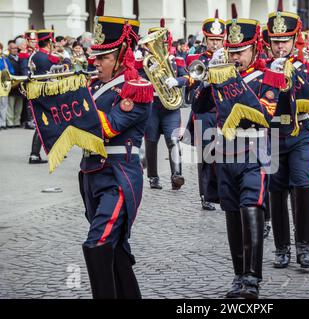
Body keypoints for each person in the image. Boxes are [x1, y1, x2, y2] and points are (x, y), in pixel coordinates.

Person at [192, 3, 282, 299]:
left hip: (255, 150)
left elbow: (264, 114)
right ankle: (239, 275)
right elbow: (199, 108)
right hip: (224, 151)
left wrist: (231, 79)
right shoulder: (220, 76)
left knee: (250, 206)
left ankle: (253, 278)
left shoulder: (269, 76)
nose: (235, 57)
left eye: (240, 51)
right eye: (231, 52)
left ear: (255, 49)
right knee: (231, 212)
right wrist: (208, 80)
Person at [79, 0, 153, 299]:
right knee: (115, 247)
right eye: (95, 56)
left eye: (103, 57)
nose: (95, 62)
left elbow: (107, 127)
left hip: (118, 175)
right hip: (91, 175)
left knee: (97, 241)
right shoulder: (94, 84)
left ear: (122, 54)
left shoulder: (136, 87)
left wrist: (73, 103)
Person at [266, 0, 309, 269]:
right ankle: (281, 248)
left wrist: (294, 77)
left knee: (302, 184)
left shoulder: (306, 66)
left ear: (294, 40)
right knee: (276, 191)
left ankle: (305, 247)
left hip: (299, 131)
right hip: (274, 134)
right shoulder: (262, 69)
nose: (281, 47)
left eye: (285, 41)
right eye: (276, 41)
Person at [184, 9, 226, 211]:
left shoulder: (229, 58)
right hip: (204, 112)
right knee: (205, 155)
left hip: (224, 112)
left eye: (218, 39)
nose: (215, 43)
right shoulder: (197, 59)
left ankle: (224, 192)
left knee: (226, 153)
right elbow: (191, 84)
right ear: (205, 39)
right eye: (211, 39)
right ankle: (205, 195)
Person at [141, 19, 186, 190]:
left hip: (171, 108)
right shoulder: (144, 62)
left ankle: (177, 175)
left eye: (161, 42)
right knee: (151, 141)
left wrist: (177, 81)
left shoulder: (176, 61)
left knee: (173, 139)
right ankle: (153, 177)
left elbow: (188, 78)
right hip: (152, 106)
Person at [28, 28, 64, 164]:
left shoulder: (34, 55)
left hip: (35, 91)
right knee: (49, 122)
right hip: (47, 92)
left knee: (44, 122)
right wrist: (65, 59)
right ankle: (37, 154)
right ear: (49, 43)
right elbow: (63, 68)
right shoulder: (48, 58)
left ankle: (39, 153)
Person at [6, 40, 23, 128]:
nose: (15, 50)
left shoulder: (20, 58)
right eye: (13, 48)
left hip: (20, 84)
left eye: (16, 48)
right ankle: (10, 123)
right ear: (9, 49)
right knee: (10, 105)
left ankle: (17, 121)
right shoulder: (7, 59)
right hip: (12, 84)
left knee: (19, 105)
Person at [0, 42, 14, 130]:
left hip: (3, 86)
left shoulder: (5, 59)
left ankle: (3, 123)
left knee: (4, 105)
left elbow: (11, 71)